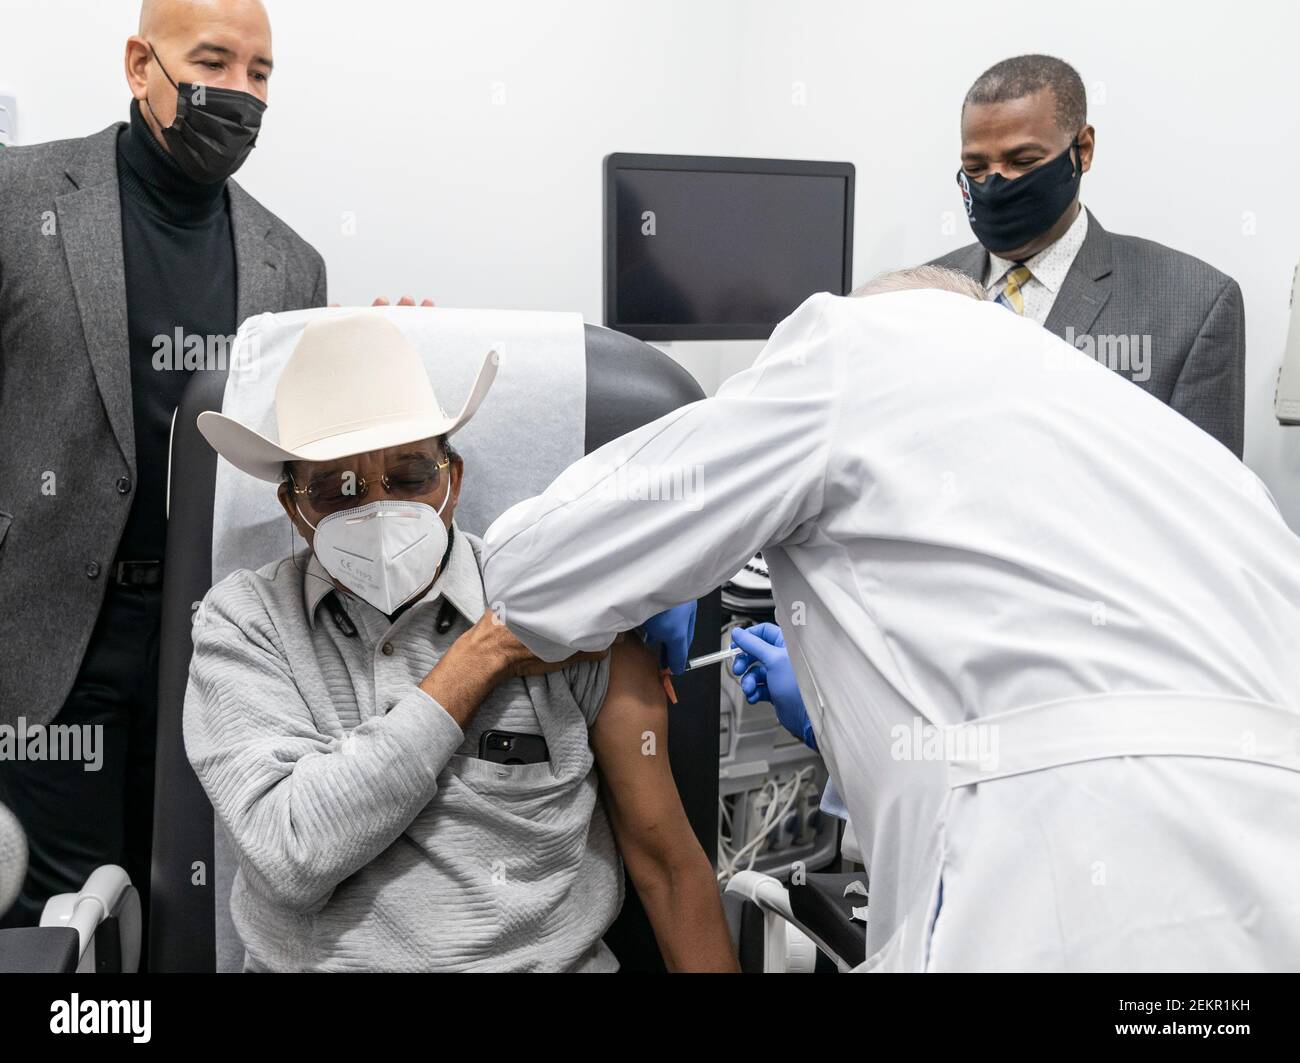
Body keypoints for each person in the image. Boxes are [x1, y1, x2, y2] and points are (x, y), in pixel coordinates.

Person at [481, 265, 1300, 972]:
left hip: (1060, 894)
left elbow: (531, 569)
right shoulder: (1177, 449)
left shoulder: (851, 344)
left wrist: (653, 581)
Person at [185, 312, 736, 972]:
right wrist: (481, 657)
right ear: (291, 506)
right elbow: (292, 852)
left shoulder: (566, 610)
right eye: (339, 489)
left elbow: (669, 871)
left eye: (411, 475)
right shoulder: (246, 624)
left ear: (454, 478)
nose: (377, 510)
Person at [0, 0, 326, 938]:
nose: (239, 93)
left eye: (259, 74)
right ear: (141, 64)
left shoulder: (292, 266)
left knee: (192, 914)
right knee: (52, 927)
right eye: (213, 62)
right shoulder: (21, 201)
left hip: (216, 652)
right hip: (46, 650)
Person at [930, 54, 1246, 456]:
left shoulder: (1193, 304)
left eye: (1022, 161)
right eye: (975, 167)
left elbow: (1207, 501)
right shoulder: (918, 296)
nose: (994, 183)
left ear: (1083, 150)